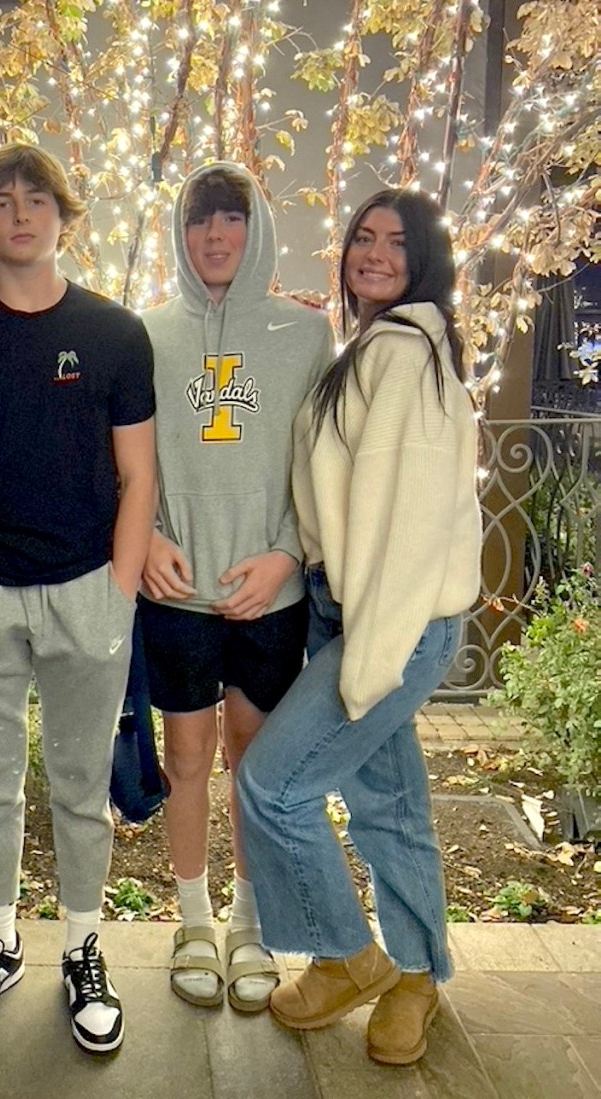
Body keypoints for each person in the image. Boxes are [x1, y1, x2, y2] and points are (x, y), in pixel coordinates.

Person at [0, 143, 156, 1053]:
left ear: (63, 215)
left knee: (84, 787)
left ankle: (83, 945)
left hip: (86, 590)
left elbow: (140, 475)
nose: (19, 213)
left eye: (36, 198)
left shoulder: (119, 334)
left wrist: (119, 592)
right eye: (0, 201)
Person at [236, 188, 482, 1065]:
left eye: (395, 242)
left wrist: (369, 658)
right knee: (388, 803)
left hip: (393, 616)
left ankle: (349, 956)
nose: (373, 253)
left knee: (272, 784)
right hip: (358, 608)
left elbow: (410, 528)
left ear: (424, 260)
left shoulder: (406, 355)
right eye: (361, 238)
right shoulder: (378, 346)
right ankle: (418, 970)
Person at [139, 163, 332, 1012]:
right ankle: (192, 920)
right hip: (175, 594)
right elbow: (123, 457)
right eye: (198, 220)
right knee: (187, 759)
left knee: (252, 762)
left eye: (232, 218)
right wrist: (141, 536)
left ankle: (249, 925)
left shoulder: (306, 334)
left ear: (258, 229)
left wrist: (287, 554)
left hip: (267, 599)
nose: (215, 236)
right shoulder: (143, 333)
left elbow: (324, 467)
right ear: (179, 235)